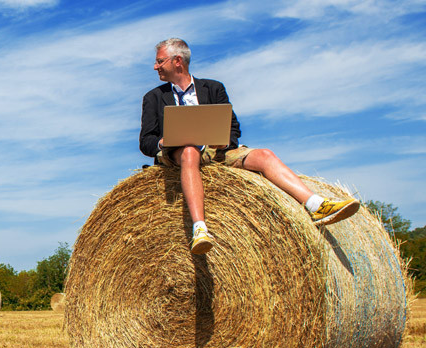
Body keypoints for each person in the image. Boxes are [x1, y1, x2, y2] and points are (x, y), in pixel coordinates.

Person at [139, 38, 359, 255]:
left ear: (177, 61)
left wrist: (225, 140)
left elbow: (233, 127)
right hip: (178, 155)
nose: (155, 66)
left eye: (160, 61)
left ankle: (316, 205)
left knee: (264, 155)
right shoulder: (154, 97)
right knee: (189, 151)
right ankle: (200, 229)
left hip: (217, 151)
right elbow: (146, 142)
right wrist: (163, 142)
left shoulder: (213, 88)